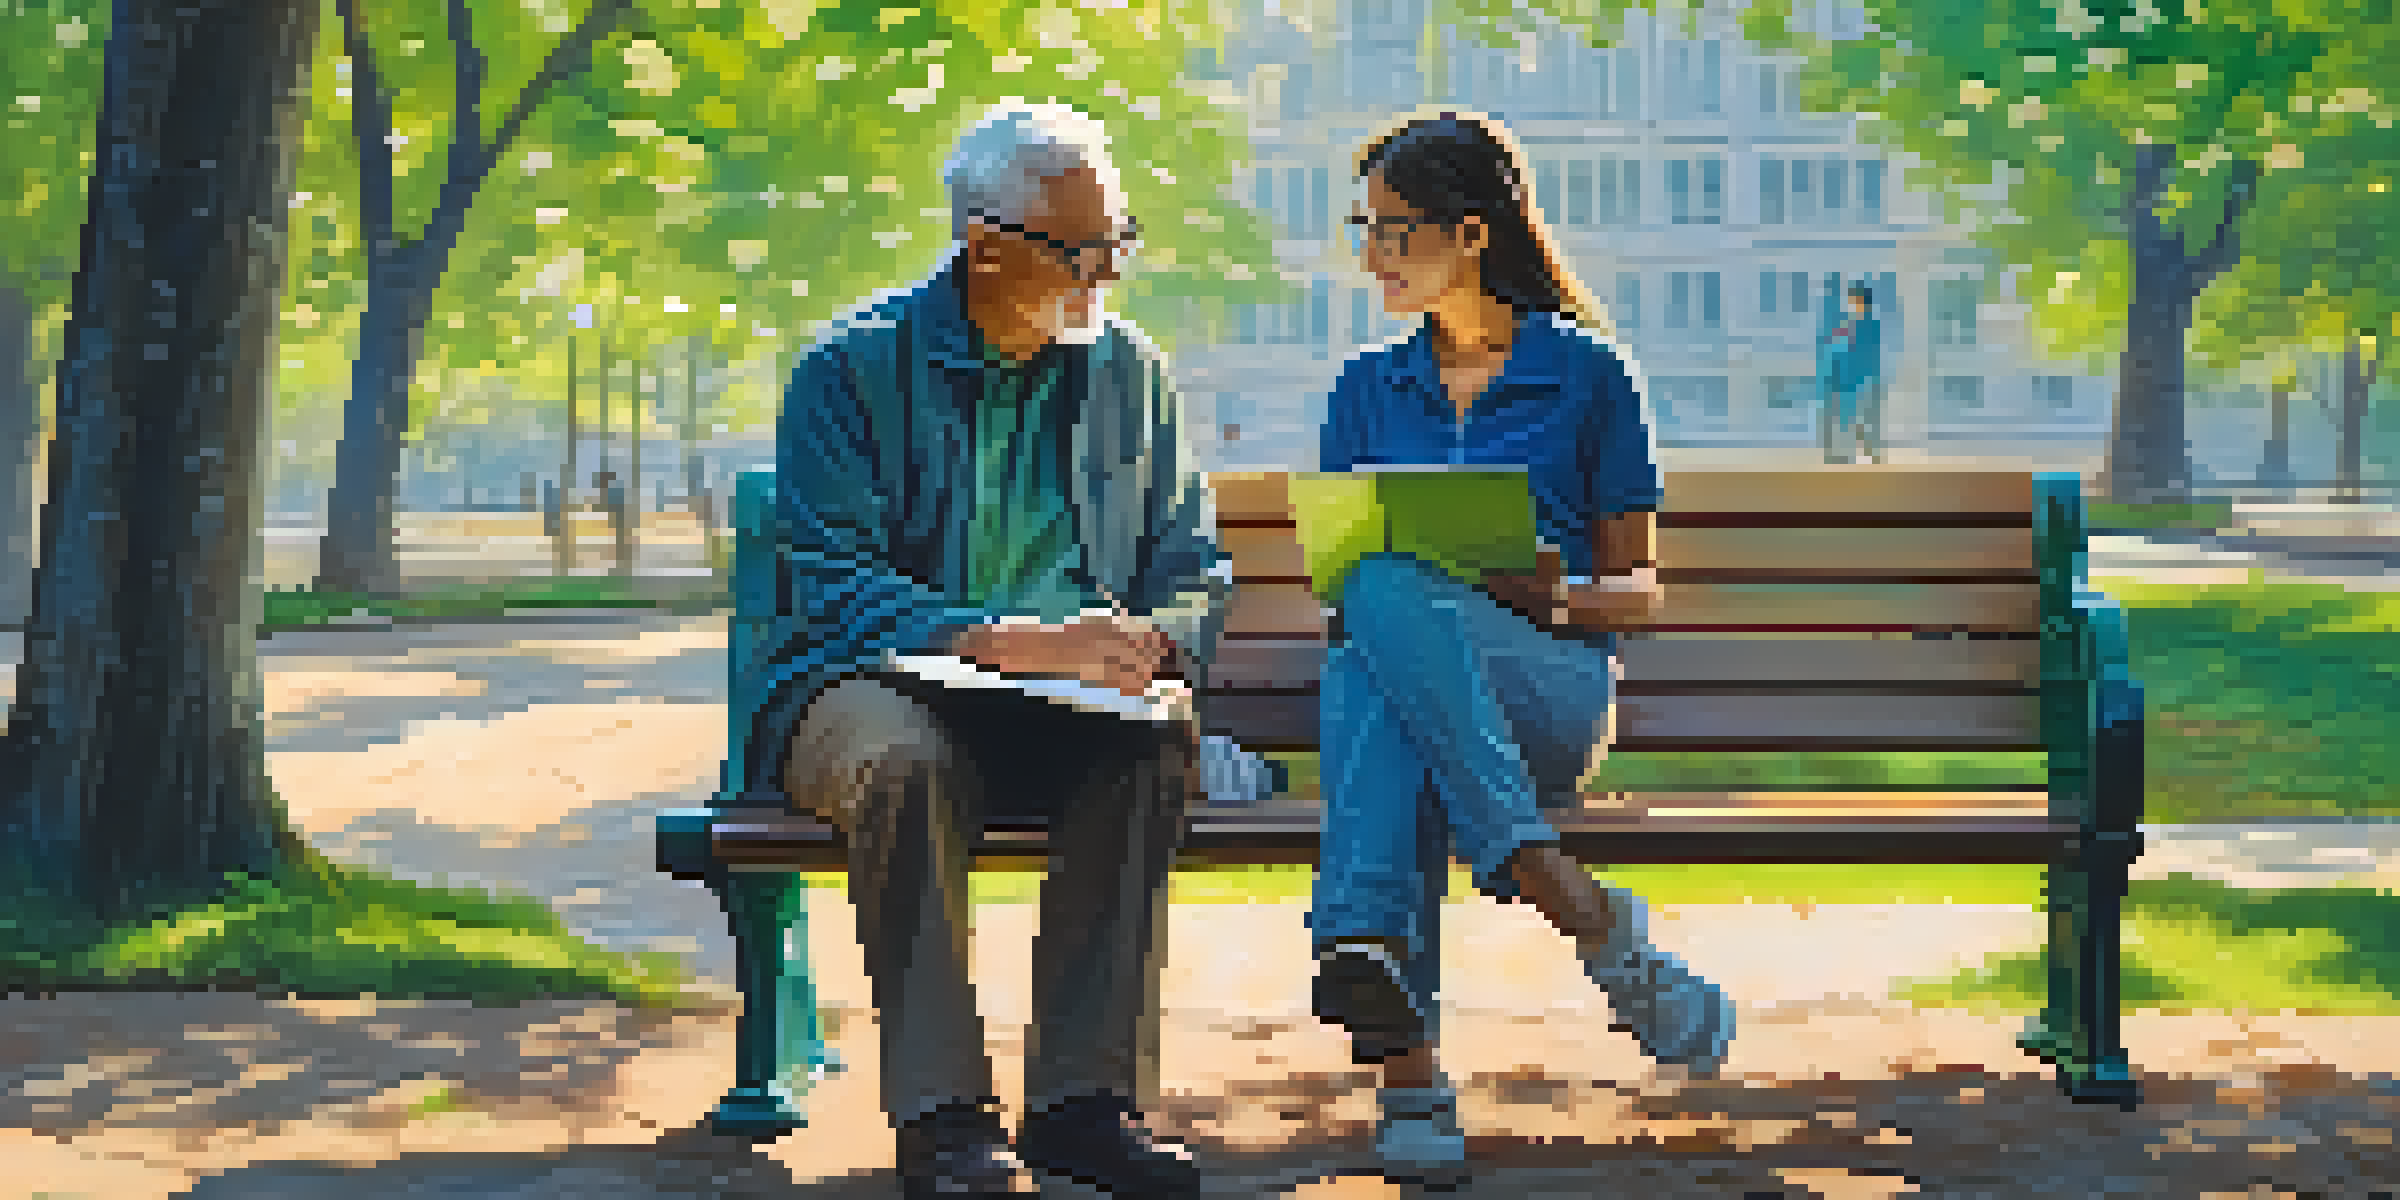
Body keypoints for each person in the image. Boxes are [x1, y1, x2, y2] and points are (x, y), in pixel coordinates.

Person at [737, 102, 1221, 1200]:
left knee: (1150, 747)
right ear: (983, 243)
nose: (1106, 272)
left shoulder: (1130, 375)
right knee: (906, 763)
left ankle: (1085, 1109)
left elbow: (1194, 562)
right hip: (865, 685)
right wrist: (1008, 643)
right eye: (1078, 250)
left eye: (1118, 242)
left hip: (1071, 705)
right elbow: (840, 587)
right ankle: (945, 1123)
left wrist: (1156, 643)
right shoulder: (849, 370)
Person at [1310, 110, 1736, 1187]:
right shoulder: (1364, 388)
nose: (1372, 255)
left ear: (1471, 233)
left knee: (1388, 606)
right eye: (1364, 228)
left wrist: (1549, 595)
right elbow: (1341, 595)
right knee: (1383, 629)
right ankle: (1556, 894)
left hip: (1546, 695)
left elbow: (1637, 597)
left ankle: (1406, 1057)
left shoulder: (1590, 378)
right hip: (1410, 691)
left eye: (1395, 231)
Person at [1818, 280, 1883, 464]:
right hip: (1847, 379)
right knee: (1847, 419)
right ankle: (1851, 454)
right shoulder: (1853, 323)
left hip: (1857, 380)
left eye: (1854, 300)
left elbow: (1858, 351)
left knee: (1856, 419)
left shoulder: (1866, 325)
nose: (1852, 304)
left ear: (1862, 301)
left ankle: (1863, 455)